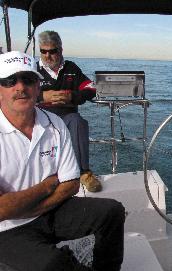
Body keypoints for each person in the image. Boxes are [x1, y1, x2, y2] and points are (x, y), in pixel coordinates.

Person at [0, 51, 133, 271]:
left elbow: (71, 185)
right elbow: (2, 210)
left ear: (38, 86)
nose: (20, 87)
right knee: (60, 268)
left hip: (49, 213)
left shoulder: (55, 124)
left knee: (112, 212)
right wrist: (47, 185)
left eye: (27, 80)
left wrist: (31, 208)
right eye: (10, 81)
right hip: (6, 231)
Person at [37, 30, 101, 192]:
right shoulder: (33, 70)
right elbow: (19, 91)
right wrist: (42, 96)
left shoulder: (71, 68)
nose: (47, 56)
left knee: (78, 122)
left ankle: (83, 173)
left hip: (66, 116)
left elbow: (91, 87)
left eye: (52, 51)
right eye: (43, 51)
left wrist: (71, 96)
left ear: (60, 50)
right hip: (39, 118)